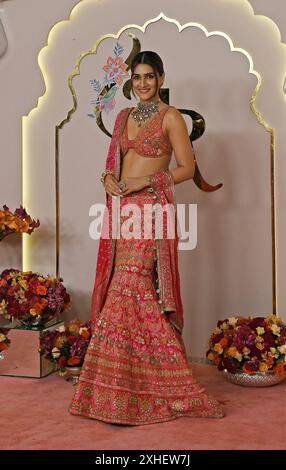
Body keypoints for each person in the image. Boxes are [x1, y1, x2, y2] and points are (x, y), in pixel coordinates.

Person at [69, 51, 224, 425]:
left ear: (161, 78)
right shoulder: (122, 117)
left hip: (152, 210)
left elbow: (186, 169)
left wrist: (145, 181)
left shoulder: (170, 118)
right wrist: (107, 179)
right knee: (127, 291)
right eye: (137, 77)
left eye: (149, 77)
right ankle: (122, 387)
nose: (142, 84)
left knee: (131, 287)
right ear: (130, 81)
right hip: (123, 212)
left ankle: (167, 384)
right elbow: (114, 164)